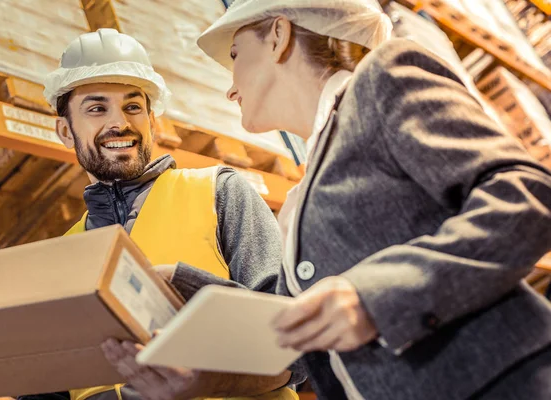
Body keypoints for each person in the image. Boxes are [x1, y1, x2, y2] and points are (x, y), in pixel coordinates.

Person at [107, 0, 551, 399]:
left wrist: (376, 297)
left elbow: (525, 196)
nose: (230, 88)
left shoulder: (385, 77)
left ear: (279, 36)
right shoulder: (306, 190)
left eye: (236, 56)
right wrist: (178, 284)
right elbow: (294, 327)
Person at [19, 28, 301, 400]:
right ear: (65, 131)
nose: (119, 122)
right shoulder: (61, 258)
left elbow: (292, 346)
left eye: (133, 106)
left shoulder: (218, 190)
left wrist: (204, 375)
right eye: (96, 108)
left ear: (152, 121)